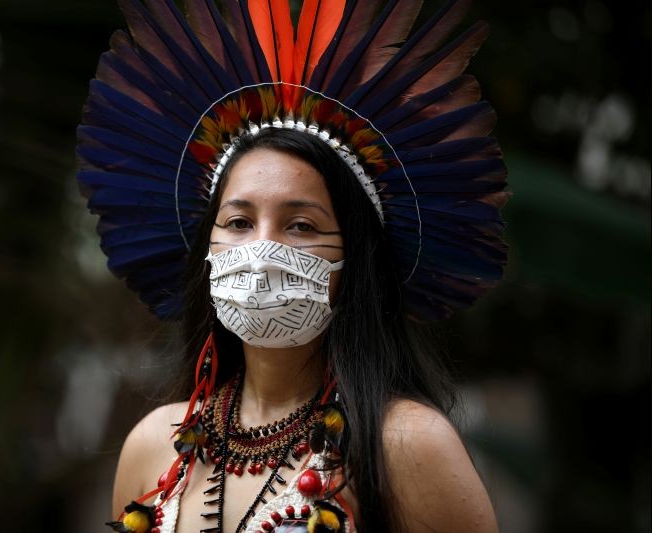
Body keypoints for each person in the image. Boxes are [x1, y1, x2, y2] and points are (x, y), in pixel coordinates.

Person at [76, 1, 509, 532]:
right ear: (207, 249)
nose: (262, 249)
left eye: (301, 225)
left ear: (353, 262)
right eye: (238, 221)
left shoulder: (407, 446)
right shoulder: (151, 447)